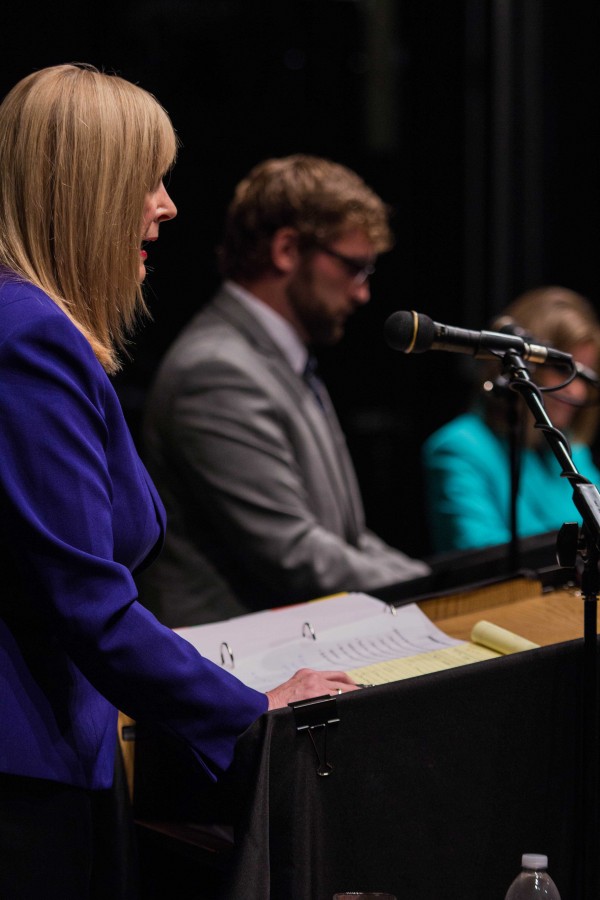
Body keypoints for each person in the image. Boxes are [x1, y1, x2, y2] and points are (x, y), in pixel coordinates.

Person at [0, 65, 357, 900]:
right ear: (83, 190)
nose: (166, 205)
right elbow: (87, 603)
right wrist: (250, 709)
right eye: (146, 180)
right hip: (23, 785)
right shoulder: (27, 339)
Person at [139, 154, 429, 627]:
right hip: (232, 673)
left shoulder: (278, 355)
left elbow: (346, 537)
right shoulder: (215, 371)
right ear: (288, 250)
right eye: (354, 268)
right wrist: (428, 589)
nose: (362, 293)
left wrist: (428, 577)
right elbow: (293, 553)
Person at [422, 286, 600, 553]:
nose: (576, 390)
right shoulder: (457, 448)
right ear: (520, 365)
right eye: (562, 369)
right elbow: (480, 558)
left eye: (583, 375)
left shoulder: (574, 450)